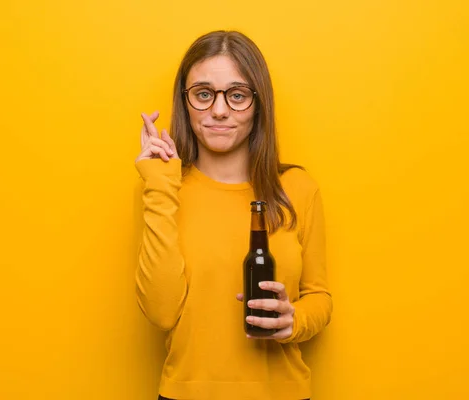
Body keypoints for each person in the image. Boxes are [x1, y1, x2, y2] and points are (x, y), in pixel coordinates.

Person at [135, 30, 332, 400]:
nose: (220, 110)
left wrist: (295, 320)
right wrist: (160, 183)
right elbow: (161, 313)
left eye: (237, 95)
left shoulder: (298, 189)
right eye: (204, 94)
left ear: (258, 104)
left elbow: (319, 296)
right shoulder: (164, 188)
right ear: (185, 101)